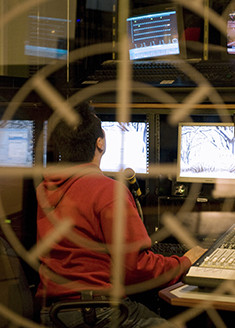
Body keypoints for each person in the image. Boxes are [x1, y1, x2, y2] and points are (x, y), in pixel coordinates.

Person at [36, 102, 206, 328]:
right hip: (98, 313)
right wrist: (185, 262)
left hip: (54, 314)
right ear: (100, 142)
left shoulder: (46, 189)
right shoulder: (107, 191)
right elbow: (136, 269)